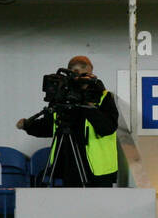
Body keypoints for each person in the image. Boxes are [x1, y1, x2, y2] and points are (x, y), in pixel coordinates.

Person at [16, 56, 118, 187]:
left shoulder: (103, 97)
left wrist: (89, 107)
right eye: (74, 74)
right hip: (69, 167)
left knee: (98, 207)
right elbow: (49, 127)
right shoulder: (62, 99)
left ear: (91, 73)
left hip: (97, 170)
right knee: (72, 206)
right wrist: (28, 125)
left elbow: (108, 128)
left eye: (83, 74)